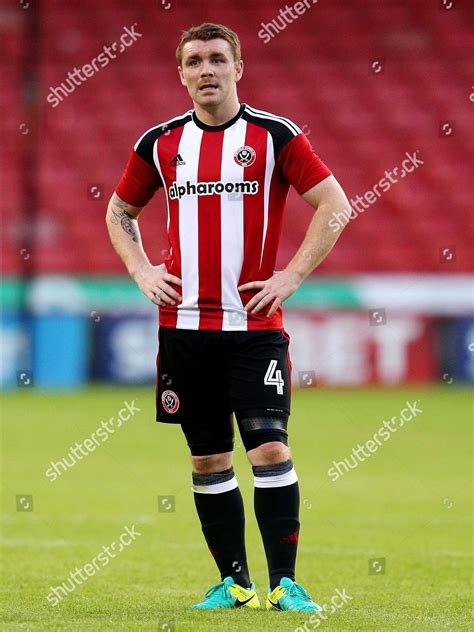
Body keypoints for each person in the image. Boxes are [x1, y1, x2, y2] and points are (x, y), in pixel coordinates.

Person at [106, 22, 349, 612]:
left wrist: (290, 276)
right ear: (182, 74)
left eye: (218, 59)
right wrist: (140, 272)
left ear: (239, 67)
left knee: (269, 448)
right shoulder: (160, 144)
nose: (206, 70)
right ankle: (235, 584)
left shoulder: (273, 136)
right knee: (209, 457)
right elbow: (119, 211)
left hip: (253, 331)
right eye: (195, 61)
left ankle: (286, 583)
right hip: (183, 331)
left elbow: (335, 206)